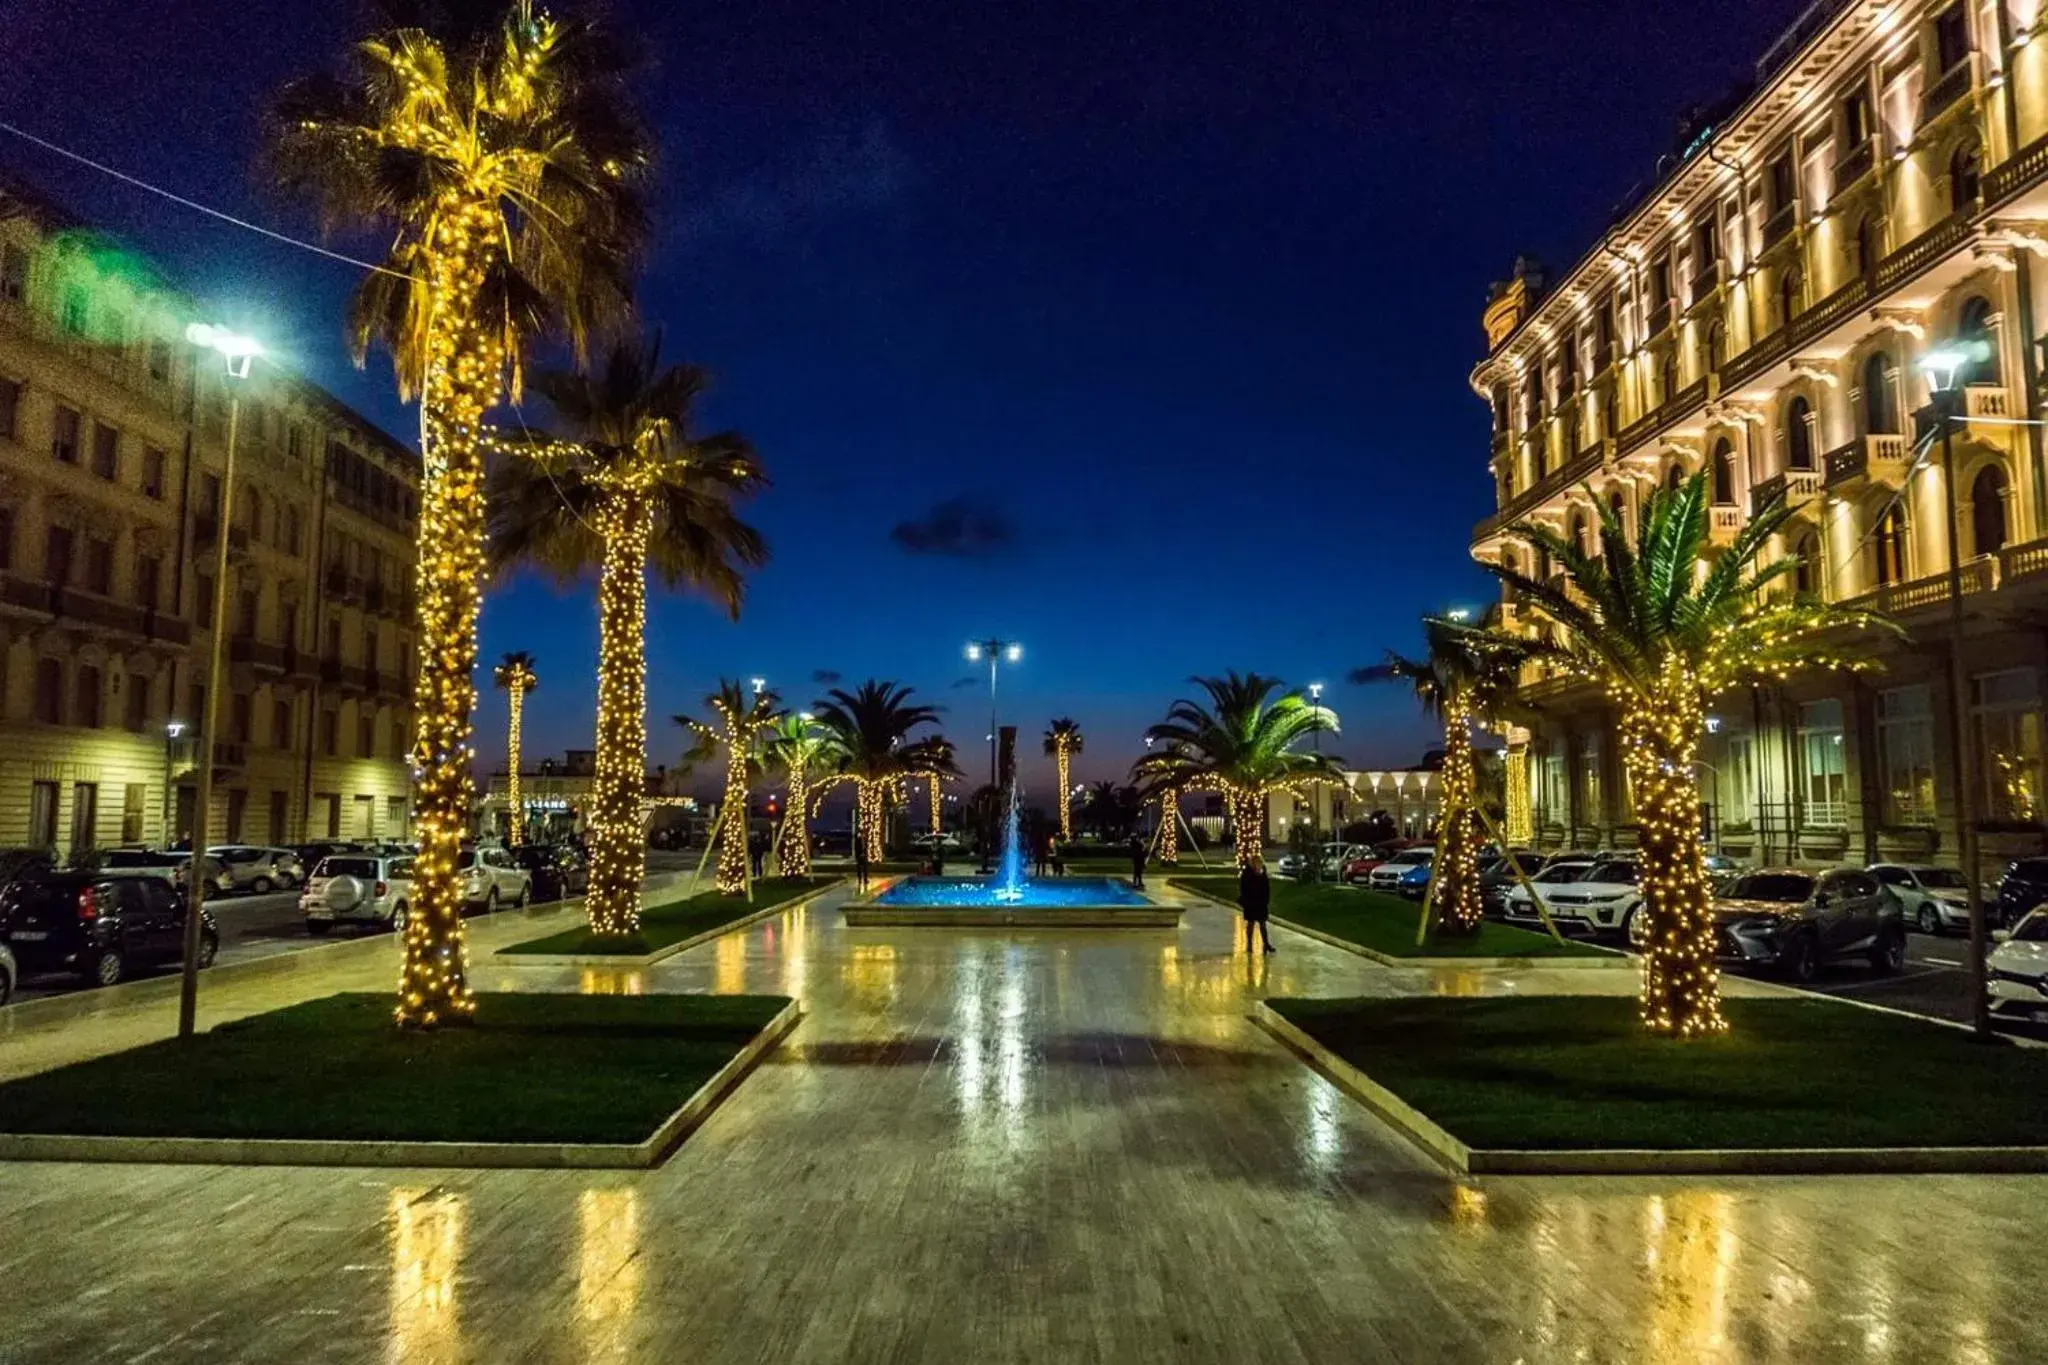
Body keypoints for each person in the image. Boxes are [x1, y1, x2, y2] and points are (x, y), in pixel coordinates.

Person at [1238, 853, 1275, 953]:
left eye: (1259, 862)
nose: (1258, 864)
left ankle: (1266, 944)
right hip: (1251, 902)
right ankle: (1249, 944)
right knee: (1251, 923)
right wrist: (1246, 900)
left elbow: (1266, 887)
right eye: (1256, 862)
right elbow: (1244, 888)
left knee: (1262, 924)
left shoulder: (1263, 872)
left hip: (1261, 902)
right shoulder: (1247, 873)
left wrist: (1266, 900)